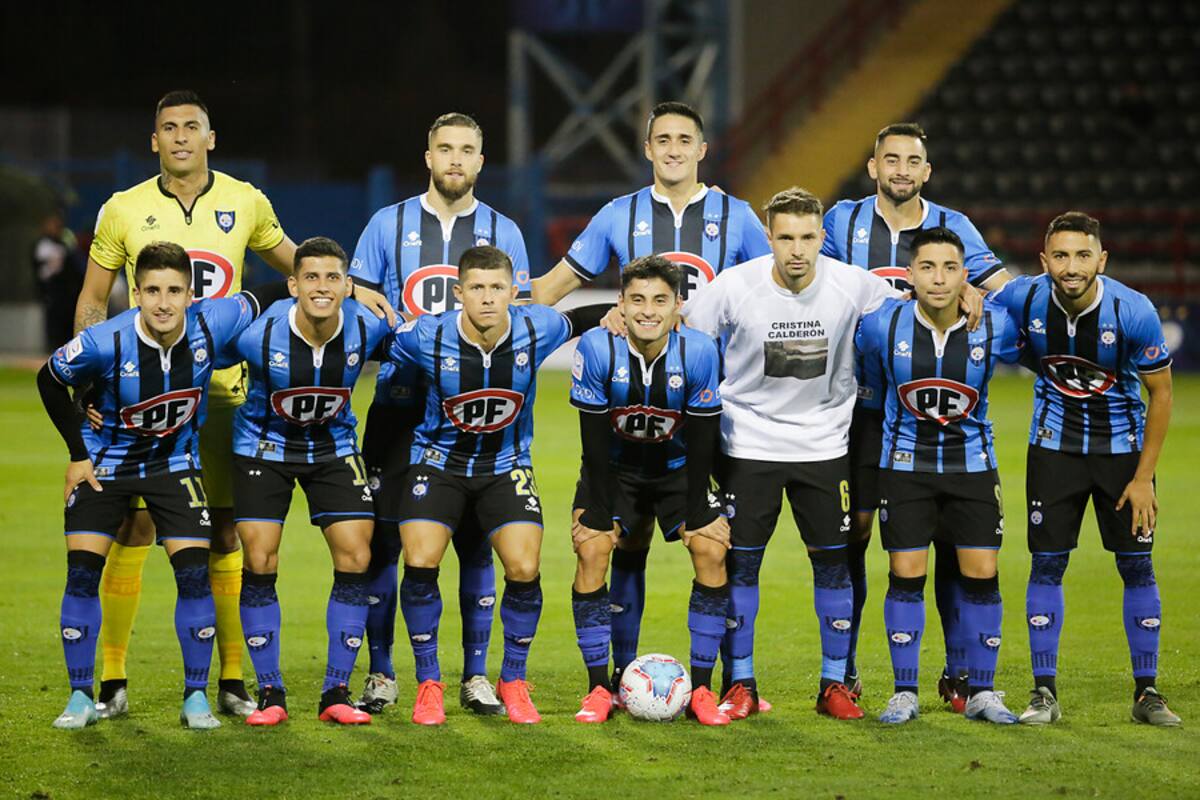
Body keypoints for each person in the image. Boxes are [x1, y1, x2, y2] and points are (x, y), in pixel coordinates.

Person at [72, 89, 303, 718]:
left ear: (210, 137)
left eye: (191, 126)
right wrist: (88, 383)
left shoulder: (246, 201)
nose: (180, 137)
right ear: (154, 141)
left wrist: (350, 294)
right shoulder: (122, 208)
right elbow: (93, 299)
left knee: (224, 529)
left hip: (223, 396)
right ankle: (113, 680)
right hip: (138, 401)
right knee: (134, 526)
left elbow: (300, 270)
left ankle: (229, 680)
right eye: (168, 128)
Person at [532, 100, 770, 694]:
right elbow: (552, 288)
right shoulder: (619, 214)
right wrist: (489, 303)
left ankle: (737, 682)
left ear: (702, 149)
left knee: (723, 545)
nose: (673, 149)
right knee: (627, 541)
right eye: (662, 139)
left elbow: (778, 293)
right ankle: (618, 676)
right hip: (634, 411)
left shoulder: (737, 217)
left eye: (684, 139)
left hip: (719, 411)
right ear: (647, 149)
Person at [37, 241, 288, 730]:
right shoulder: (105, 341)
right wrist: (77, 453)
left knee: (194, 575)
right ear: (136, 294)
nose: (164, 302)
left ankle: (195, 699)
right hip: (106, 466)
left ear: (192, 295)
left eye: (174, 290)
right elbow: (50, 378)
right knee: (82, 574)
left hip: (175, 464)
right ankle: (81, 696)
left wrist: (348, 289)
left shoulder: (213, 322)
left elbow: (275, 290)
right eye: (152, 290)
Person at [683, 187, 898, 721]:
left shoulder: (855, 285)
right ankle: (741, 684)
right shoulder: (733, 286)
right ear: (769, 237)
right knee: (741, 567)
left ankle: (833, 685)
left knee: (834, 568)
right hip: (747, 444)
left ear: (822, 237)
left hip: (825, 447)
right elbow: (685, 336)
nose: (796, 250)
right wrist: (617, 317)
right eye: (785, 238)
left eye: (806, 238)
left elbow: (918, 306)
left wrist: (967, 296)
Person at [821, 122, 1010, 708]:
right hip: (859, 411)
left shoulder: (954, 227)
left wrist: (979, 291)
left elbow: (1006, 291)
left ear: (927, 171)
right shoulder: (841, 222)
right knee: (854, 534)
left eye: (912, 161)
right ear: (873, 167)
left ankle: (959, 673)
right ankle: (843, 672)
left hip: (930, 413)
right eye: (891, 159)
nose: (901, 170)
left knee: (954, 538)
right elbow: (814, 287)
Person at [349, 112, 529, 715]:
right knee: (384, 545)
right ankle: (381, 673)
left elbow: (519, 321)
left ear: (481, 160)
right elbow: (360, 308)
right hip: (399, 410)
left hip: (477, 417)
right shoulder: (386, 223)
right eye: (445, 148)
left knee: (476, 546)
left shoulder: (506, 231)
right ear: (428, 157)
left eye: (467, 150)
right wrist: (358, 295)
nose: (455, 159)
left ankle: (475, 677)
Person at [387, 245, 611, 725]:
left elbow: (580, 318)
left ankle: (513, 680)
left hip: (506, 465)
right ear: (458, 292)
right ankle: (429, 684)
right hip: (438, 464)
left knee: (525, 566)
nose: (487, 298)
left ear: (514, 292)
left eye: (496, 288)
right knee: (420, 560)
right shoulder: (427, 335)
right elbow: (372, 341)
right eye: (477, 288)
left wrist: (621, 314)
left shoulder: (536, 328)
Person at [989, 212, 1180, 727]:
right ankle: (1043, 693)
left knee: (1136, 566)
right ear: (1043, 260)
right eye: (1060, 255)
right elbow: (976, 303)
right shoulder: (1025, 297)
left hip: (1122, 455)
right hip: (1053, 450)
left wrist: (1143, 478)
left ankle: (1147, 693)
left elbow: (1161, 394)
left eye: (1082, 255)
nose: (1071, 266)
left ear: (1102, 259)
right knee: (1047, 565)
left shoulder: (1132, 310)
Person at [855, 227, 1022, 725]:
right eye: (927, 267)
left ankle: (982, 691)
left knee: (982, 577)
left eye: (950, 268)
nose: (939, 278)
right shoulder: (881, 326)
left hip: (973, 468)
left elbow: (1042, 344)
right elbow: (871, 390)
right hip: (905, 470)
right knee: (906, 577)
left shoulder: (996, 325)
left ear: (965, 275)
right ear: (909, 274)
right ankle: (904, 692)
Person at [227, 237, 392, 727]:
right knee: (260, 558)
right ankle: (270, 693)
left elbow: (426, 350)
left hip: (333, 448)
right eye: (311, 277)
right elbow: (192, 357)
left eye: (332, 278)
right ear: (293, 284)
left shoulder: (369, 325)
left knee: (356, 556)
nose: (322, 287)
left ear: (348, 285)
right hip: (262, 448)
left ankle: (336, 692)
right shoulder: (256, 333)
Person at [568, 255, 729, 725]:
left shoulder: (699, 351)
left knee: (711, 548)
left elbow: (704, 439)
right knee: (593, 549)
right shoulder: (597, 348)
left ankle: (703, 689)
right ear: (620, 302)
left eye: (660, 300)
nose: (648, 311)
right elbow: (593, 442)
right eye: (637, 299)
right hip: (614, 470)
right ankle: (600, 688)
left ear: (678, 304)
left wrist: (698, 511)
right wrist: (599, 513)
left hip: (677, 469)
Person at [31, 209, 84, 351]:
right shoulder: (42, 245)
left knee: (67, 324)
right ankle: (52, 349)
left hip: (67, 292)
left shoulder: (64, 244)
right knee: (54, 324)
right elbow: (40, 270)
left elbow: (73, 267)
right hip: (52, 291)